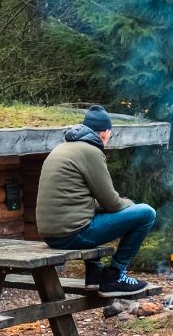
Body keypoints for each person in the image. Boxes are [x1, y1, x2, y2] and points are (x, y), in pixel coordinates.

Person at [36, 105, 156, 296]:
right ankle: (116, 274)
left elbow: (80, 201)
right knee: (147, 213)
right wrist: (131, 207)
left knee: (95, 212)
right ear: (106, 133)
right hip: (72, 234)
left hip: (50, 235)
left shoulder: (62, 148)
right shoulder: (91, 151)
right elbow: (113, 203)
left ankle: (95, 275)